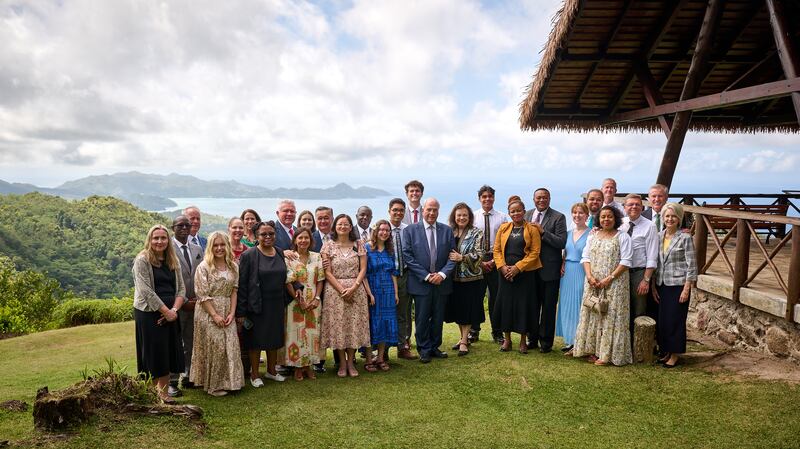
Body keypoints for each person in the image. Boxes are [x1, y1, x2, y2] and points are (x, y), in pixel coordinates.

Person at [572, 206, 633, 366]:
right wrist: (590, 276)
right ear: (598, 219)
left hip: (615, 284)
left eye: (610, 217)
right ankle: (591, 350)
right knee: (592, 314)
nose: (606, 219)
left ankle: (607, 355)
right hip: (593, 283)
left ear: (616, 219)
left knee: (610, 316)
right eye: (603, 217)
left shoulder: (622, 237)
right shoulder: (593, 236)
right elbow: (585, 257)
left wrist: (609, 278)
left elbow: (626, 261)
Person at [132, 225, 185, 403]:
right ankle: (154, 394)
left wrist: (174, 311)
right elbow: (146, 291)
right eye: (156, 238)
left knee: (168, 352)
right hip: (149, 314)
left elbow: (181, 289)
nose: (160, 241)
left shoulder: (172, 259)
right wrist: (165, 311)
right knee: (154, 353)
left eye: (163, 238)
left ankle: (163, 392)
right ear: (150, 239)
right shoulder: (142, 260)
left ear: (168, 240)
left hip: (172, 312)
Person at [189, 231, 244, 396]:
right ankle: (213, 385)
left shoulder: (233, 266)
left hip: (228, 308)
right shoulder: (204, 267)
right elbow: (202, 295)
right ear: (210, 247)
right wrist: (215, 315)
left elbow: (234, 291)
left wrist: (232, 313)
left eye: (222, 245)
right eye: (216, 245)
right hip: (208, 311)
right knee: (216, 347)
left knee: (231, 346)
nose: (219, 248)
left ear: (227, 246)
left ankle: (231, 382)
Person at [402, 198, 456, 363]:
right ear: (422, 210)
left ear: (438, 211)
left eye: (435, 210)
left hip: (442, 282)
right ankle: (424, 349)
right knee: (422, 317)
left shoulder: (447, 230)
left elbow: (452, 257)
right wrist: (426, 276)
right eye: (429, 209)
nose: (432, 213)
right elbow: (407, 256)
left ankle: (434, 347)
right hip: (421, 283)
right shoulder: (410, 230)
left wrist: (442, 274)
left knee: (438, 317)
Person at [236, 221, 289, 387]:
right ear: (256, 236)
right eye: (263, 234)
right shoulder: (249, 255)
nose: (267, 237)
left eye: (271, 234)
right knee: (255, 340)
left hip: (276, 304)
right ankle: (254, 374)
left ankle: (272, 371)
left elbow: (287, 276)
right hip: (256, 305)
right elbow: (243, 284)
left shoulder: (279, 252)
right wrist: (241, 312)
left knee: (274, 338)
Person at [319, 214, 371, 377]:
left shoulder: (359, 244)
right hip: (335, 291)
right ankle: (342, 362)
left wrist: (354, 287)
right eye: (340, 224)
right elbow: (327, 272)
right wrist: (342, 289)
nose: (343, 226)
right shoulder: (328, 246)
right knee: (339, 327)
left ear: (351, 227)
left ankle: (351, 362)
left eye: (346, 224)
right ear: (335, 227)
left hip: (356, 289)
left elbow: (363, 269)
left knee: (354, 326)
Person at [492, 197, 542, 354]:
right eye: (512, 211)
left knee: (523, 307)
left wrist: (517, 268)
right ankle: (507, 340)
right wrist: (503, 267)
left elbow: (535, 253)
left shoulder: (532, 229)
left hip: (525, 274)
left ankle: (522, 341)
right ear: (509, 213)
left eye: (519, 210)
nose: (516, 213)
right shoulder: (503, 228)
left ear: (524, 211)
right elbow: (497, 250)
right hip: (505, 274)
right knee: (506, 306)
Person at [652, 203, 697, 368]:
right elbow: (655, 262)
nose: (670, 219)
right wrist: (653, 286)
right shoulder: (658, 236)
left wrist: (687, 288)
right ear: (663, 218)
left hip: (678, 285)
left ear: (679, 218)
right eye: (667, 216)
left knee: (675, 321)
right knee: (663, 321)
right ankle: (667, 351)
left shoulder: (685, 238)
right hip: (661, 283)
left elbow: (692, 265)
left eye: (673, 216)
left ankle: (675, 354)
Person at [524, 188, 567, 353]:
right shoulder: (527, 215)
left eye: (545, 197)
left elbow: (561, 242)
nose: (541, 200)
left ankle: (546, 342)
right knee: (532, 306)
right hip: (530, 270)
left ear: (549, 199)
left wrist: (543, 232)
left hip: (549, 270)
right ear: (533, 199)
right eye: (538, 197)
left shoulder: (558, 217)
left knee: (548, 308)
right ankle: (532, 339)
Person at [284, 228, 326, 381]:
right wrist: (298, 300)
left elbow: (320, 279)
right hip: (295, 303)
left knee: (311, 335)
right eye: (300, 238)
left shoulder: (317, 257)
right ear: (295, 240)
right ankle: (297, 367)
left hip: (313, 302)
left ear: (310, 240)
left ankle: (309, 366)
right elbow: (288, 281)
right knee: (296, 335)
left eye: (306, 238)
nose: (303, 241)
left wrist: (317, 299)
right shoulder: (289, 257)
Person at [444, 203, 484, 356]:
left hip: (470, 278)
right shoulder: (449, 232)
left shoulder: (476, 232)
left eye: (465, 215)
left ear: (470, 217)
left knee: (467, 310)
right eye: (459, 215)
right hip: (452, 278)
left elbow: (480, 254)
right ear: (454, 216)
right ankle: (463, 338)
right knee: (458, 309)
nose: (461, 218)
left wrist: (462, 258)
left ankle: (464, 341)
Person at [471, 185, 508, 344]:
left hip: (496, 260)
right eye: (484, 196)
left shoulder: (502, 217)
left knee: (495, 298)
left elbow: (505, 242)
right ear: (479, 198)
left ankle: (497, 331)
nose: (487, 199)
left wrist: (493, 261)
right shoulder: (472, 216)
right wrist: (480, 262)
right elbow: (470, 242)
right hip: (477, 261)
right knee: (476, 298)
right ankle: (474, 330)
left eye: (490, 196)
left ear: (494, 198)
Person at [620, 194, 658, 346]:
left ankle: (638, 347)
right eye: (630, 204)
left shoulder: (650, 226)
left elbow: (652, 256)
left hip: (638, 273)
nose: (634, 207)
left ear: (642, 207)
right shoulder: (620, 224)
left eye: (637, 204)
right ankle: (623, 345)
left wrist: (646, 280)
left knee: (638, 311)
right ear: (624, 207)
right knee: (622, 309)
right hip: (621, 273)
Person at [170, 215, 203, 395]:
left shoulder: (198, 249)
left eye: (187, 225)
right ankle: (172, 379)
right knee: (175, 342)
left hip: (196, 303)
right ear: (173, 228)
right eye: (180, 225)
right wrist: (181, 302)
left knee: (191, 340)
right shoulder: (168, 249)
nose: (184, 228)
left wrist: (197, 299)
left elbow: (201, 275)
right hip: (175, 304)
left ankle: (189, 375)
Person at [364, 220, 399, 371]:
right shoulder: (367, 248)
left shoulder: (390, 250)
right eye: (382, 230)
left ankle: (380, 358)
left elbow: (393, 274)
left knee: (386, 322)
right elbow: (363, 274)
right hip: (373, 290)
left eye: (387, 230)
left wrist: (396, 293)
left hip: (388, 292)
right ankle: (368, 360)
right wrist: (369, 294)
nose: (384, 233)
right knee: (372, 324)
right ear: (376, 231)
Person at [556, 203, 590, 352]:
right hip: (567, 272)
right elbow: (565, 251)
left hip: (582, 270)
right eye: (575, 213)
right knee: (566, 304)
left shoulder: (592, 233)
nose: (577, 215)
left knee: (579, 305)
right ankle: (569, 340)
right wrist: (562, 262)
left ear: (587, 216)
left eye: (581, 213)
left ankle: (579, 340)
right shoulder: (568, 233)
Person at [387, 198, 416, 360]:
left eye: (400, 210)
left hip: (404, 274)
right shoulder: (383, 229)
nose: (398, 213)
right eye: (395, 210)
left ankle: (403, 346)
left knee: (404, 312)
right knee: (384, 311)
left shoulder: (409, 230)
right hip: (386, 276)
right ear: (389, 211)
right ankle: (382, 349)